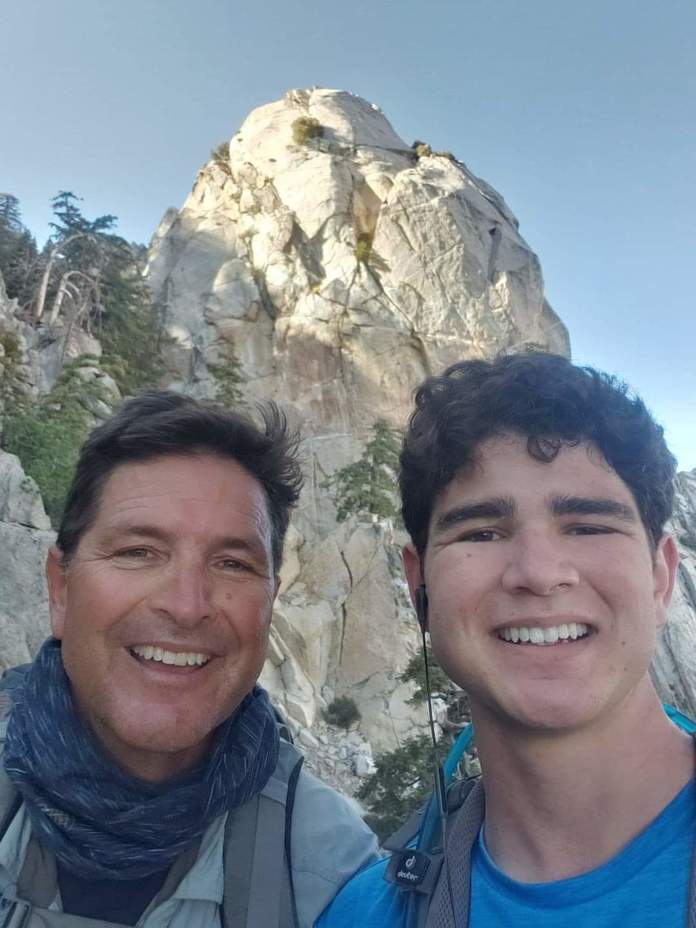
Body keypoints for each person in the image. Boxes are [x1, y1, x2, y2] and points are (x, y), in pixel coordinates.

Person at [318, 351, 694, 927]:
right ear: (421, 585)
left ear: (661, 576)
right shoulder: (362, 917)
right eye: (483, 531)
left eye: (588, 526)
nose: (539, 574)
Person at [0, 390, 378, 928]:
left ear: (269, 604)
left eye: (231, 563)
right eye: (138, 552)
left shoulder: (335, 876)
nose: (186, 605)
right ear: (60, 589)